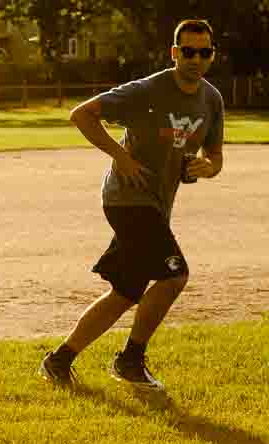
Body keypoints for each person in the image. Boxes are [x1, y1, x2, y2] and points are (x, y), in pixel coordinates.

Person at [38, 19, 224, 392]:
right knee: (174, 275)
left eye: (204, 52)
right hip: (127, 198)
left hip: (155, 206)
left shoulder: (211, 99)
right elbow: (82, 114)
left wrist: (209, 167)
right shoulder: (148, 90)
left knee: (125, 293)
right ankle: (130, 360)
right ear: (174, 54)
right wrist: (120, 156)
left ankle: (58, 360)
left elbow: (215, 156)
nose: (196, 59)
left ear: (212, 55)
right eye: (188, 51)